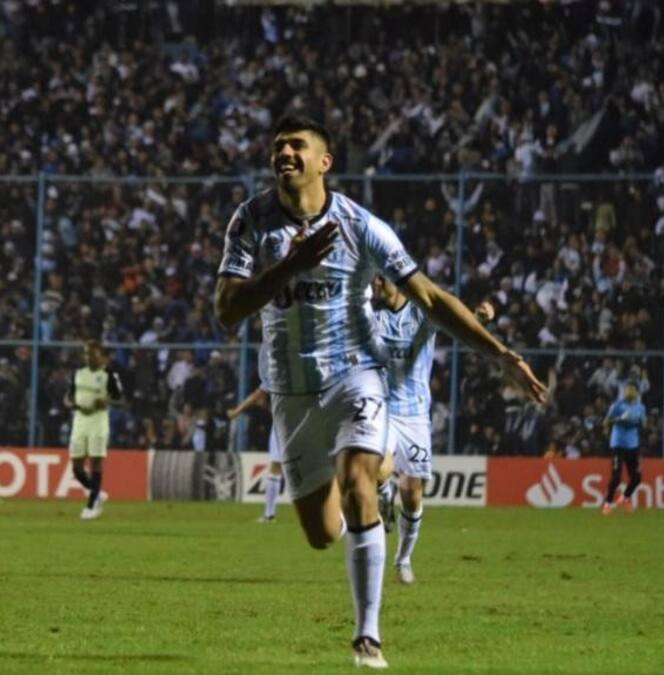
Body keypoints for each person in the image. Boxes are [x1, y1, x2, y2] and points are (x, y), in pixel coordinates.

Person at [215, 115, 547, 668]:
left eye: (297, 145)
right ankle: (381, 466)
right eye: (278, 147)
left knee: (356, 480)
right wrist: (291, 267)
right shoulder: (249, 221)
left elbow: (432, 299)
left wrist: (499, 353)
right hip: (292, 390)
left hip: (356, 373)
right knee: (322, 534)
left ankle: (368, 636)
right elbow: (228, 310)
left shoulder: (361, 225)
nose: (285, 153)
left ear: (325, 161)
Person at [371, 275, 493, 585]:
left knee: (411, 493)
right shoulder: (372, 317)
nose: (373, 285)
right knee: (378, 471)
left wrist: (478, 319)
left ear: (393, 282)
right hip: (383, 408)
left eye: (378, 279)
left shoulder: (420, 313)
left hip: (414, 415)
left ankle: (403, 559)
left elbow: (455, 322)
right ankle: (384, 498)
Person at [65, 339, 124, 520]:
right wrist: (70, 404)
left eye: (91, 353)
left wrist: (106, 402)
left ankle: (91, 505)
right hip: (80, 419)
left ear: (100, 355)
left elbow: (121, 400)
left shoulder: (109, 375)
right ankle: (96, 492)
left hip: (98, 420)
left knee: (96, 462)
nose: (87, 356)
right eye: (85, 353)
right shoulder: (79, 373)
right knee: (76, 467)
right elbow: (68, 397)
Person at [227, 384, 283, 523]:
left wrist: (236, 411)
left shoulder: (276, 372)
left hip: (284, 424)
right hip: (303, 421)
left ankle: (269, 514)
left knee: (276, 467)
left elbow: (257, 395)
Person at [602, 382, 646, 515]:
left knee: (637, 477)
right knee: (616, 477)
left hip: (633, 445)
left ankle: (625, 498)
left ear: (637, 393)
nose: (629, 392)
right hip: (618, 444)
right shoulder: (617, 406)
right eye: (628, 390)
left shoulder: (640, 407)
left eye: (632, 390)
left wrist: (637, 421)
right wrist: (620, 419)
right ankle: (607, 504)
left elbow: (644, 424)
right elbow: (606, 422)